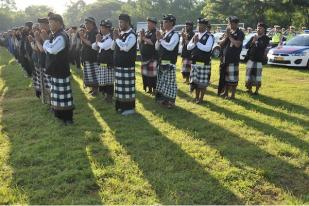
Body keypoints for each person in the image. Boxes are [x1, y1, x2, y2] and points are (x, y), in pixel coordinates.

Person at [42, 13, 74, 125]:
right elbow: (48, 50)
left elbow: (52, 50)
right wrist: (47, 42)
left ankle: (68, 118)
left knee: (64, 95)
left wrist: (45, 40)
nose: (49, 25)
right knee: (57, 95)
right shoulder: (55, 35)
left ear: (59, 23)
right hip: (55, 69)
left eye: (51, 22)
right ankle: (60, 117)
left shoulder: (61, 36)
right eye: (49, 22)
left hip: (61, 69)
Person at [113, 14, 137, 115]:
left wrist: (117, 39)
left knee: (127, 89)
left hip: (127, 66)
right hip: (119, 65)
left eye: (122, 22)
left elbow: (126, 47)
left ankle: (129, 109)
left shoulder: (131, 34)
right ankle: (121, 107)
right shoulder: (121, 34)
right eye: (119, 22)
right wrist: (115, 39)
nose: (120, 24)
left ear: (127, 22)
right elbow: (112, 47)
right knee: (120, 88)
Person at [187, 18, 214, 104]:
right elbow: (188, 47)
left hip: (204, 62)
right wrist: (194, 42)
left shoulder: (209, 36)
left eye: (201, 25)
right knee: (195, 82)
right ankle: (196, 97)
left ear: (205, 26)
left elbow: (207, 49)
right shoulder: (196, 35)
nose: (199, 27)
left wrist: (197, 43)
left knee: (202, 83)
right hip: (195, 62)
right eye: (198, 25)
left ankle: (201, 98)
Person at [155, 14, 179, 108]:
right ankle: (164, 100)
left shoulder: (175, 35)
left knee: (170, 83)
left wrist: (161, 39)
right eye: (163, 21)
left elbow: (170, 47)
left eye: (165, 22)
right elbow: (157, 47)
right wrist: (158, 39)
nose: (163, 23)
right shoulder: (164, 34)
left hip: (169, 63)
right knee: (162, 82)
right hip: (161, 62)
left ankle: (171, 102)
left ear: (171, 23)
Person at [218, 16, 244, 99]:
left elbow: (237, 44)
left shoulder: (240, 33)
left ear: (235, 23)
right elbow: (220, 43)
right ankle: (225, 93)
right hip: (225, 58)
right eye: (228, 23)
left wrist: (229, 36)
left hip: (233, 59)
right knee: (226, 77)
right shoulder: (227, 32)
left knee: (233, 78)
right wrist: (226, 36)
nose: (228, 25)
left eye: (230, 23)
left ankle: (232, 95)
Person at [245, 22, 270, 95]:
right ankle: (249, 89)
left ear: (264, 30)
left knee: (257, 75)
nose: (258, 29)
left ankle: (256, 90)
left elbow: (263, 47)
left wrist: (257, 41)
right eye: (258, 28)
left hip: (259, 60)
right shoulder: (253, 37)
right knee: (248, 74)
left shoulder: (265, 38)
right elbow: (246, 46)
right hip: (250, 59)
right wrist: (253, 41)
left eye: (260, 28)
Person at [92, 19, 114, 102]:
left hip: (108, 63)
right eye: (101, 27)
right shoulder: (103, 38)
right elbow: (93, 46)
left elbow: (104, 46)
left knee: (108, 81)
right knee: (103, 80)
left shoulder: (110, 38)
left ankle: (109, 97)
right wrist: (97, 41)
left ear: (108, 29)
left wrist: (98, 42)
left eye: (103, 28)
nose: (101, 29)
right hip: (102, 63)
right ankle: (105, 96)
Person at [79, 17, 99, 96]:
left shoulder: (95, 32)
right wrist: (83, 36)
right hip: (86, 56)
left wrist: (82, 37)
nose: (86, 25)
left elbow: (91, 44)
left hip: (92, 57)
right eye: (85, 23)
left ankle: (96, 89)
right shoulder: (87, 32)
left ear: (92, 24)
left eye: (87, 23)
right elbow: (83, 43)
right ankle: (92, 88)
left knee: (94, 74)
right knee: (89, 74)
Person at [139, 17, 158, 94]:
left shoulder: (155, 32)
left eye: (150, 23)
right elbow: (140, 42)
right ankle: (148, 88)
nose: (148, 25)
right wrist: (141, 36)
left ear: (154, 24)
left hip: (152, 57)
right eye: (148, 23)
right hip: (144, 58)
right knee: (146, 75)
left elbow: (152, 42)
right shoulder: (147, 32)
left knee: (152, 75)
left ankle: (154, 89)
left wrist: (143, 37)